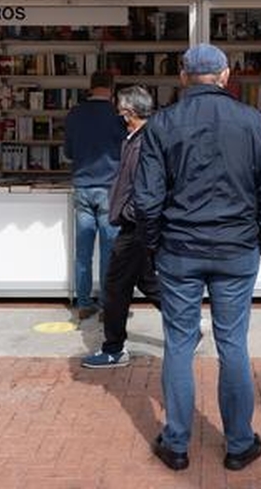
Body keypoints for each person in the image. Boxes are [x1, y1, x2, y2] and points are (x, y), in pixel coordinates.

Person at [134, 42, 261, 472]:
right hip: (236, 250)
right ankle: (239, 443)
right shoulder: (251, 121)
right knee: (232, 343)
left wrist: (154, 246)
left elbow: (145, 200)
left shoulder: (162, 124)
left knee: (180, 345)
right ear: (225, 76)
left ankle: (177, 442)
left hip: (180, 250)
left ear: (183, 77)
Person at [81, 86, 161, 369]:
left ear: (128, 113)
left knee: (114, 288)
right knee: (147, 282)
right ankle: (187, 322)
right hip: (137, 224)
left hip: (135, 226)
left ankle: (113, 349)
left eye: (120, 112)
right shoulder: (138, 138)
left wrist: (128, 213)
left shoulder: (143, 143)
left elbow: (146, 188)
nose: (118, 117)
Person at [64, 70, 127, 320]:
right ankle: (106, 304)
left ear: (90, 87)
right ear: (111, 89)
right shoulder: (117, 117)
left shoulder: (74, 114)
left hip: (82, 186)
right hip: (109, 189)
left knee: (83, 251)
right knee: (109, 251)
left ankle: (82, 303)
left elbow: (69, 152)